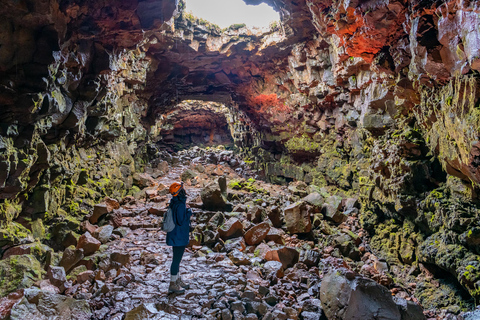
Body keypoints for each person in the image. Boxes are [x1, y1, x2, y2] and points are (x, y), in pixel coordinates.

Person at [166, 182, 193, 294]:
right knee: (176, 260)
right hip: (179, 236)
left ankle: (177, 280)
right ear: (180, 191)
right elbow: (181, 220)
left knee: (176, 259)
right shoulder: (181, 204)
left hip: (174, 235)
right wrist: (189, 212)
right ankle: (173, 284)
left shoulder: (174, 202)